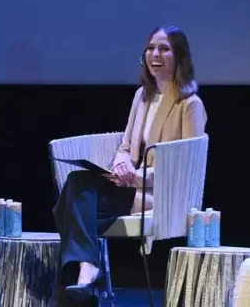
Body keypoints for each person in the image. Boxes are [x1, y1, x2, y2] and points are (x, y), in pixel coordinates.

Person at [52, 25, 208, 305]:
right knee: (77, 185)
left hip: (163, 195)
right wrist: (122, 164)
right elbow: (126, 146)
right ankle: (86, 273)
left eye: (164, 48)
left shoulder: (190, 104)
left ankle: (80, 279)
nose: (154, 54)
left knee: (69, 207)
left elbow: (188, 167)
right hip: (132, 187)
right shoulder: (142, 96)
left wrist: (134, 178)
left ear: (179, 56)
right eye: (150, 48)